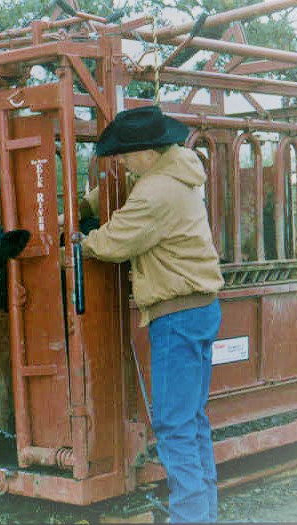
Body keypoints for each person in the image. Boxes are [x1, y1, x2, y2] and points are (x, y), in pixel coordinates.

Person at [80, 105, 224, 523]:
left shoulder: (156, 192)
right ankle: (204, 514)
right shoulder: (177, 170)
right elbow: (122, 188)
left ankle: (190, 519)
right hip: (200, 309)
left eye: (124, 154)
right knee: (192, 422)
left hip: (175, 316)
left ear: (146, 151)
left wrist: (74, 245)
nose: (122, 163)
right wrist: (86, 207)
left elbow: (115, 242)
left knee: (174, 427)